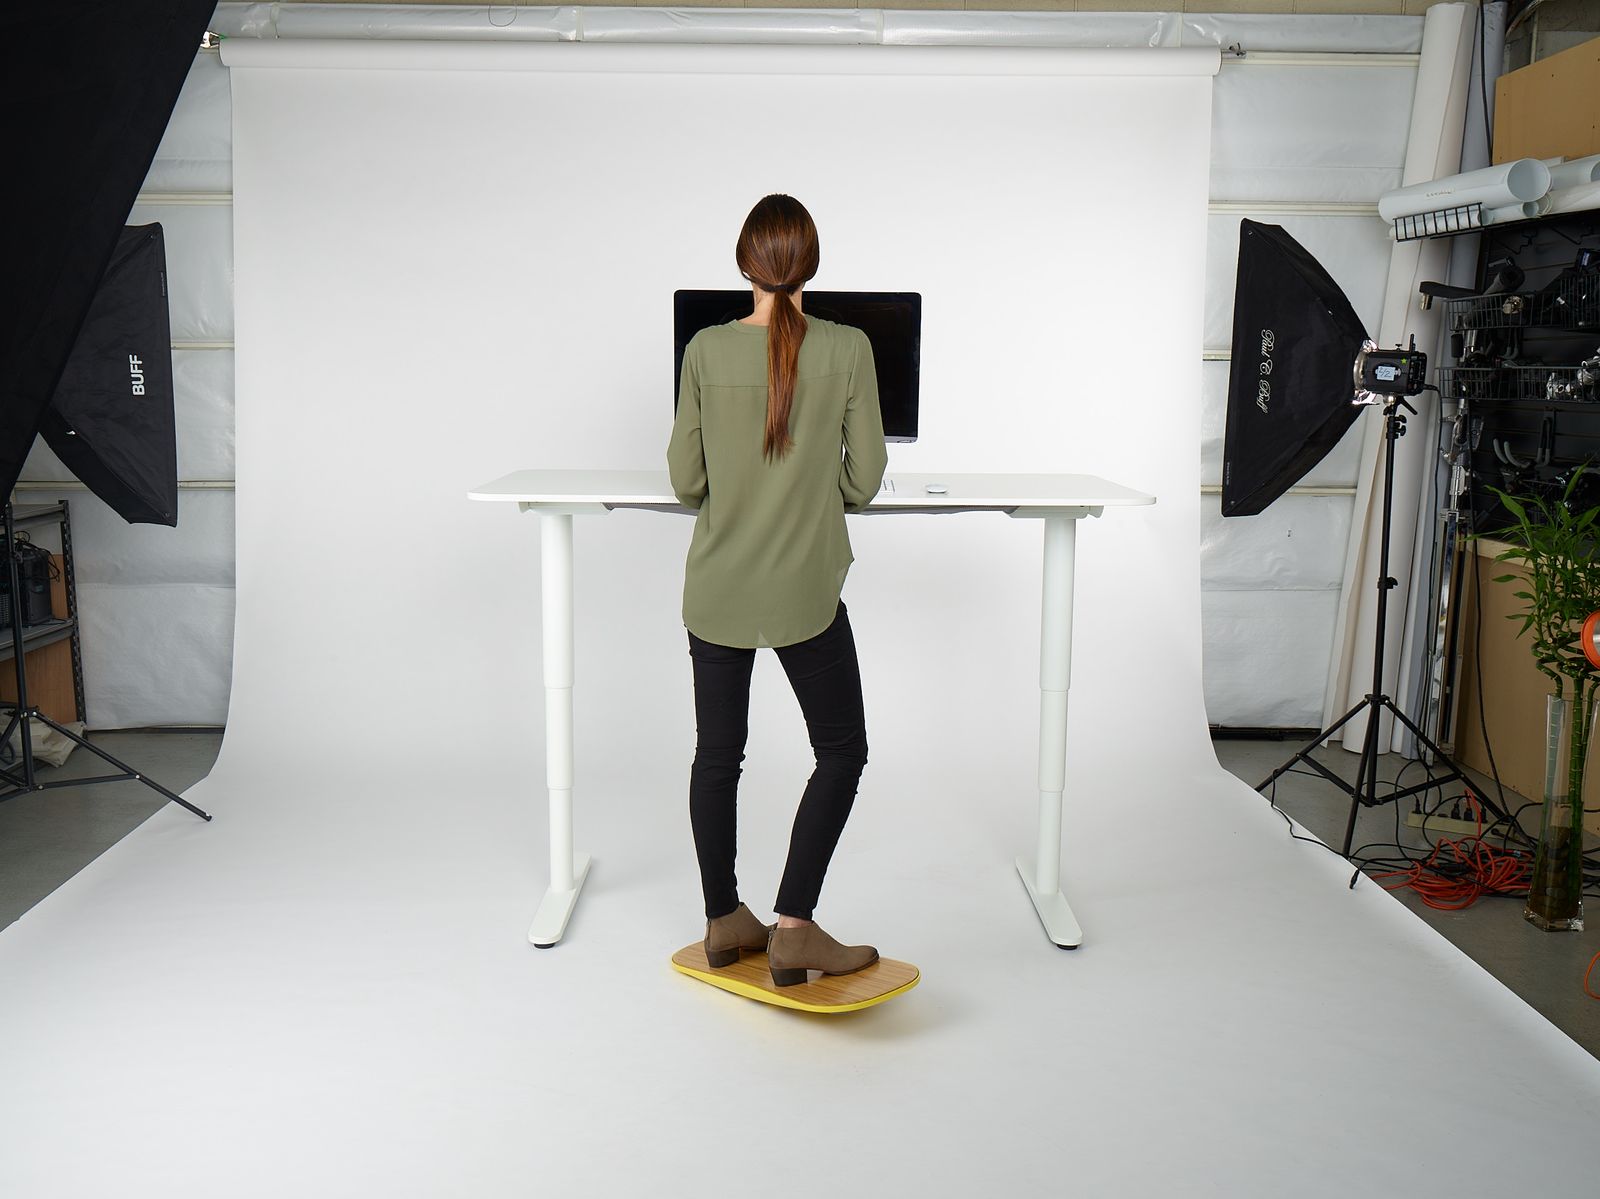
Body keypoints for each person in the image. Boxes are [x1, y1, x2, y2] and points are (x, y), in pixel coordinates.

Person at [666, 194, 889, 988]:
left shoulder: (702, 351)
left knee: (717, 755)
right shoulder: (852, 347)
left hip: (718, 588)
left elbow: (687, 479)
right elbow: (862, 480)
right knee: (842, 750)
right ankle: (794, 926)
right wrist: (806, 486)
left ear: (743, 265)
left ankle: (724, 919)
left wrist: (744, 484)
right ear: (812, 265)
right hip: (804, 594)